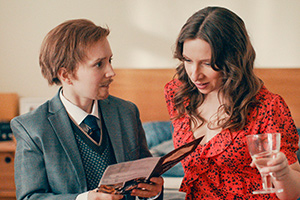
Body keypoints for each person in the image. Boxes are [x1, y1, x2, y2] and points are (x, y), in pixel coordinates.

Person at [11, 19, 163, 200]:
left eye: (110, 60)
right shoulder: (31, 128)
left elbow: (146, 183)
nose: (111, 72)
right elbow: (30, 197)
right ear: (66, 75)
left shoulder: (127, 113)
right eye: (99, 64)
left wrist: (154, 193)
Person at [164, 6, 300, 200]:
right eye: (187, 60)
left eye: (207, 63)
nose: (195, 74)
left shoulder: (267, 107)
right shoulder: (178, 95)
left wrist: (283, 173)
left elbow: (292, 194)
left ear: (233, 59)